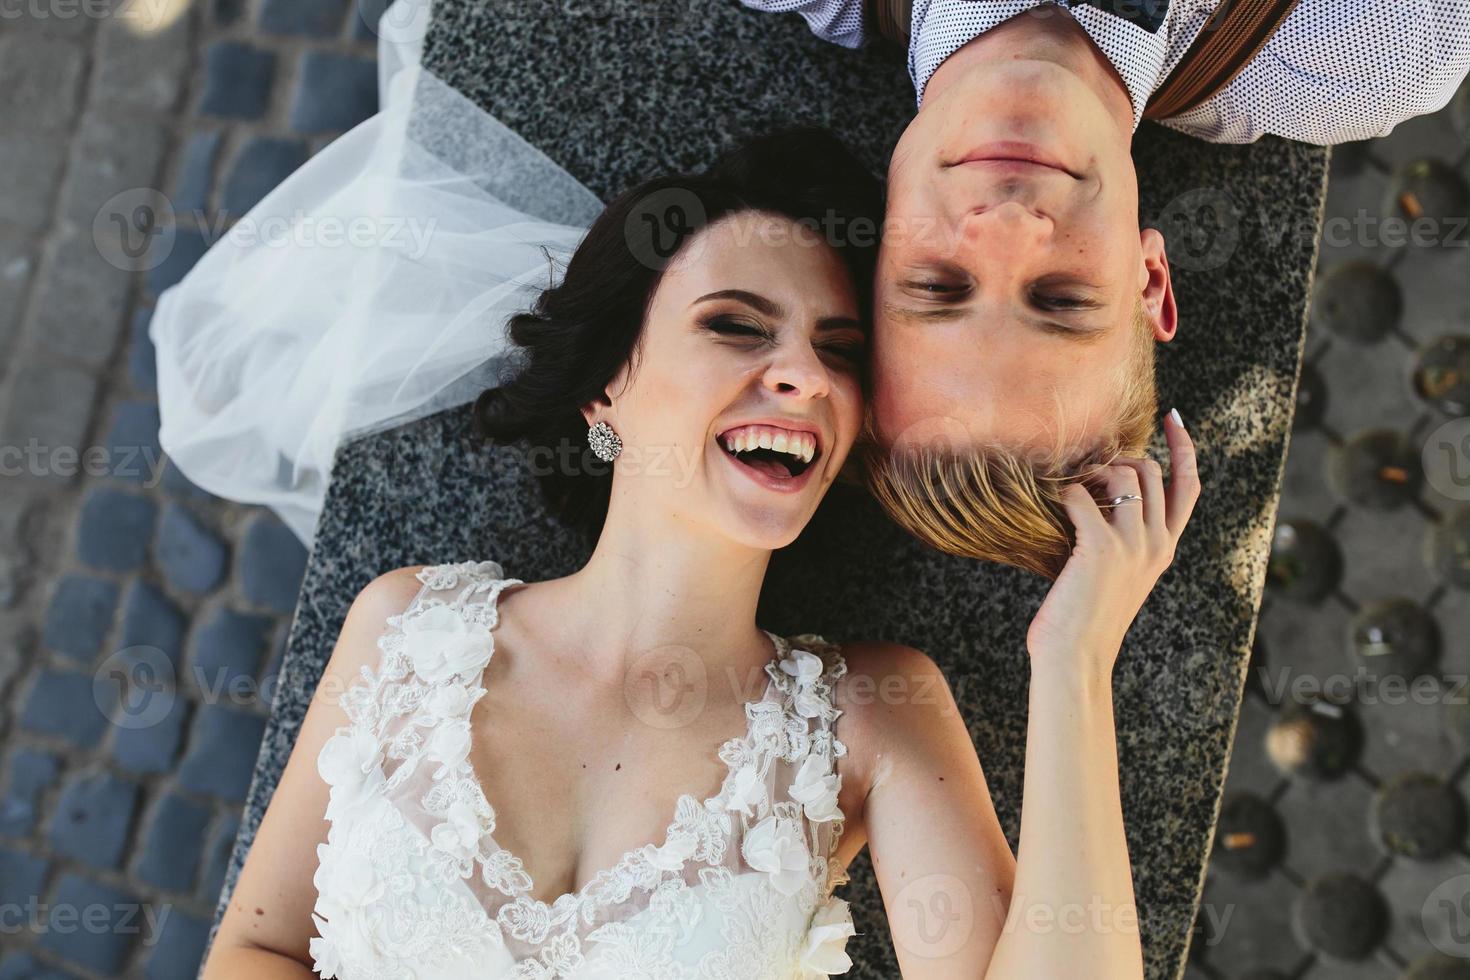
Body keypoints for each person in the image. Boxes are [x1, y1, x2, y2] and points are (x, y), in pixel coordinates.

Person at [193, 121, 1200, 978]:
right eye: (736, 325)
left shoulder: (875, 721)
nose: (801, 371)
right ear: (606, 387)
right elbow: (259, 945)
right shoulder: (407, 626)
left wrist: (1075, 663)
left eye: (839, 350)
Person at [738, 0, 1470, 578]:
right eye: (1061, 298)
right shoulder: (1365, 51)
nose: (1012, 224)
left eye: (938, 284)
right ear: (1150, 282)